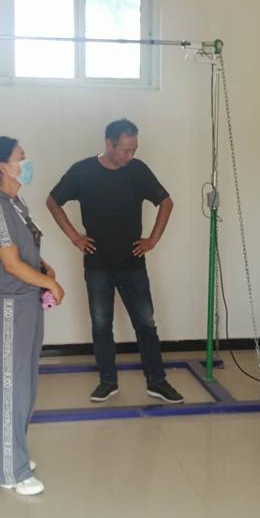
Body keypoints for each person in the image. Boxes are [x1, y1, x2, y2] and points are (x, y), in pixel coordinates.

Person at [46, 119, 182, 404]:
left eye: (134, 149)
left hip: (133, 263)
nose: (130, 155)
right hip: (97, 265)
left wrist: (152, 240)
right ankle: (107, 382)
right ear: (109, 144)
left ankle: (157, 382)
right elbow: (53, 201)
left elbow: (166, 202)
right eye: (125, 150)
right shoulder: (82, 171)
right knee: (101, 325)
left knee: (146, 325)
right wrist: (74, 237)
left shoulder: (138, 171)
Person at [0, 136, 64, 496]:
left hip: (27, 302)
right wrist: (50, 284)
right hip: (9, 305)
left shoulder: (14, 203)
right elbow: (9, 263)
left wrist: (43, 268)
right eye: (21, 158)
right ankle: (11, 471)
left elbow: (23, 250)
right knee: (12, 386)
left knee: (24, 384)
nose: (27, 163)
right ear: (2, 167)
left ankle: (2, 453)